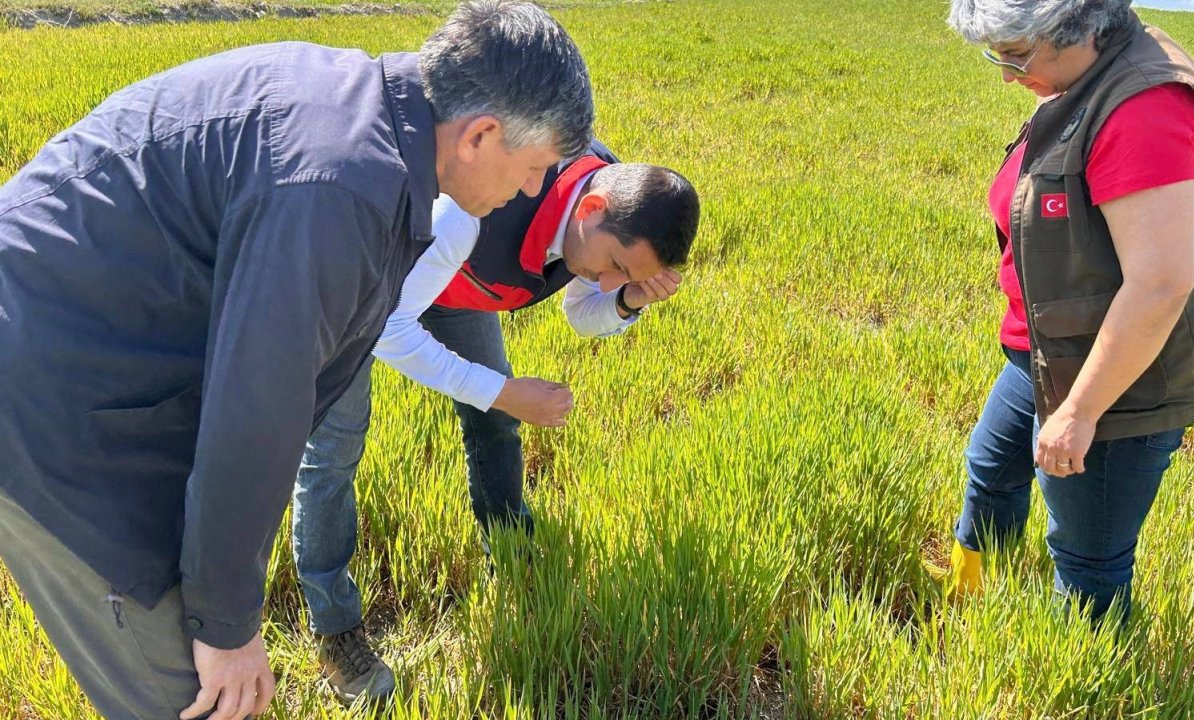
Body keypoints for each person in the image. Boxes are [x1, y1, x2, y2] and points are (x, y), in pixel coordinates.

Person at [0, 2, 593, 718]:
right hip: (49, 397)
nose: (530, 191)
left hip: (93, 356)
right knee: (198, 697)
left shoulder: (361, 117)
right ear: (481, 136)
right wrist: (225, 625)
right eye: (534, 169)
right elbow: (257, 410)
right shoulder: (340, 188)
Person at [292, 139, 700, 703]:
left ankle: (510, 555)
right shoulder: (473, 209)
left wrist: (628, 299)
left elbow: (582, 313)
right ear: (591, 209)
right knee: (334, 450)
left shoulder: (605, 205)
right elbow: (387, 328)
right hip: (358, 274)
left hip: (451, 274)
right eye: (617, 267)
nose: (608, 281)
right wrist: (504, 391)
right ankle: (336, 630)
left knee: (494, 420)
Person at [939, 0, 1194, 623]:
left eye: (1016, 54)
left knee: (1087, 557)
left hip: (1119, 378)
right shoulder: (1084, 72)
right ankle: (974, 596)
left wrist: (1079, 414)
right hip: (1047, 350)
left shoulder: (1144, 107)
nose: (1006, 74)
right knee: (991, 471)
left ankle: (1080, 663)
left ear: (1077, 27)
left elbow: (1160, 283)